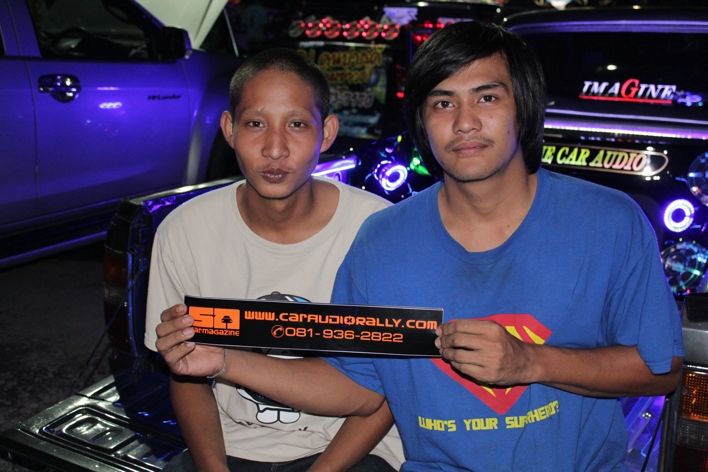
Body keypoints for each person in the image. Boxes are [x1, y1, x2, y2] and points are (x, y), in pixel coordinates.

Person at [155, 22, 684, 471]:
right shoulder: (382, 240)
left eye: (487, 97)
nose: (464, 122)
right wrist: (223, 359)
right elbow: (358, 389)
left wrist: (532, 362)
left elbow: (662, 370)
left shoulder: (608, 221)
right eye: (443, 103)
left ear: (523, 107)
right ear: (422, 123)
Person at [145, 48, 404, 471]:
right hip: (230, 445)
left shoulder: (379, 229)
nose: (275, 148)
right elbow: (186, 374)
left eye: (297, 124)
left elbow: (389, 389)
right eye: (255, 123)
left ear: (326, 132)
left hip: (350, 450)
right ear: (229, 129)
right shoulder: (185, 231)